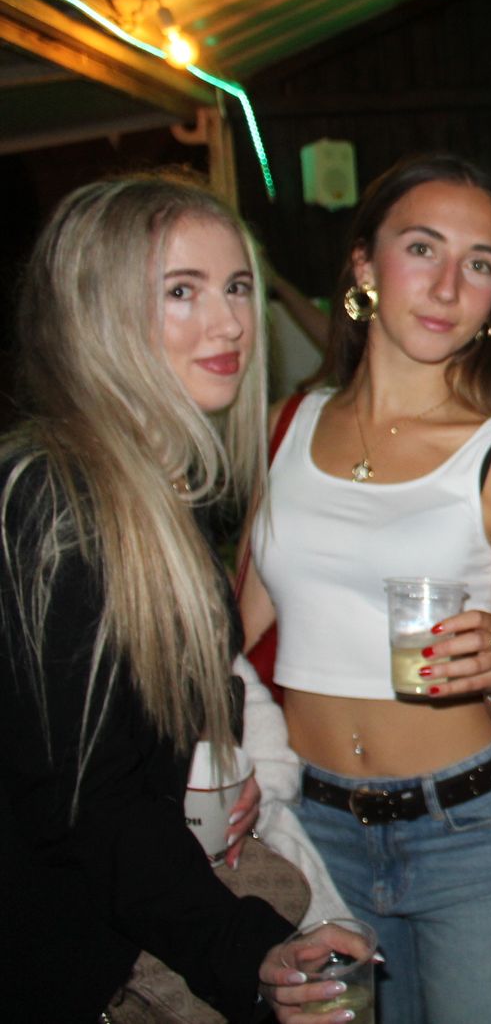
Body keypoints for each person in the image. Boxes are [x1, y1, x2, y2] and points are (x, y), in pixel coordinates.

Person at [0, 173, 352, 1022]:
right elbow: (80, 802)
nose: (230, 321)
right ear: (96, 312)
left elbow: (142, 727)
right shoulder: (51, 496)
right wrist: (240, 949)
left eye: (237, 287)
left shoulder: (161, 488)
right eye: (182, 292)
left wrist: (205, 775)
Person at [239, 154, 491, 1024]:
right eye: (422, 247)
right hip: (311, 829)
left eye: (482, 263)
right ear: (363, 265)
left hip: (470, 833)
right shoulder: (282, 424)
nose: (448, 283)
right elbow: (233, 634)